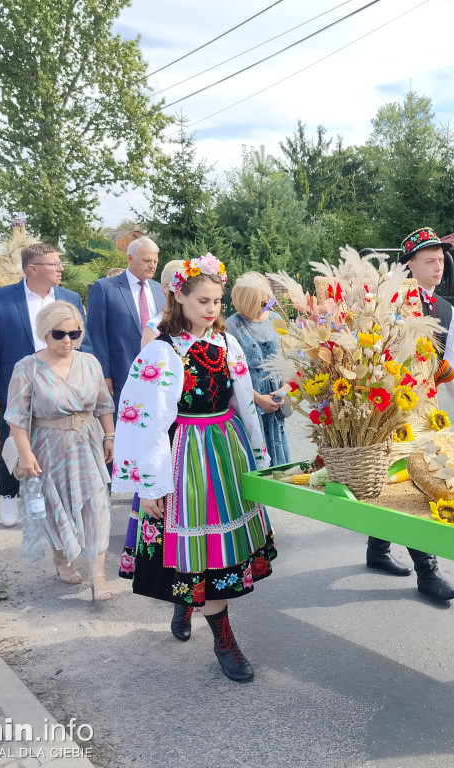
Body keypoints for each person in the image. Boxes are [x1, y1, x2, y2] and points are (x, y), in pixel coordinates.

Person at [112, 254, 276, 683]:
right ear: (178, 296)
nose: (211, 309)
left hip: (224, 449)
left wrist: (258, 459)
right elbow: (142, 419)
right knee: (192, 543)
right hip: (183, 454)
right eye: (202, 300)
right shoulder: (163, 351)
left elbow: (244, 402)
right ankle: (224, 639)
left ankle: (188, 603)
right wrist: (148, 485)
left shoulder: (226, 343)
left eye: (217, 301)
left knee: (215, 549)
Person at [363, 227, 454, 602]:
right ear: (410, 264)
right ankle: (427, 572)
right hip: (390, 408)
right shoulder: (388, 301)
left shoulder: (446, 310)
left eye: (441, 259)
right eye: (429, 260)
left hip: (426, 412)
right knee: (406, 485)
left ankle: (377, 550)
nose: (438, 265)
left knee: (405, 480)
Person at [4, 302, 116, 601]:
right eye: (59, 333)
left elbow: (104, 404)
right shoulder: (27, 367)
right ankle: (63, 560)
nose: (68, 340)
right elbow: (16, 416)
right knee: (56, 508)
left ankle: (98, 575)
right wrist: (25, 454)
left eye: (74, 333)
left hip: (87, 443)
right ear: (45, 333)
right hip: (47, 445)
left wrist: (110, 435)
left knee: (96, 507)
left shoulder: (90, 362)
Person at [0, 243, 91, 527]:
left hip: (61, 385)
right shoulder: (1, 298)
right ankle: (7, 495)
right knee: (13, 439)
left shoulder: (70, 298)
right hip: (18, 383)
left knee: (58, 441)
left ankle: (57, 498)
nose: (61, 268)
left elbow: (82, 342)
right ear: (33, 268)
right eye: (55, 264)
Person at [118, 259, 185, 578]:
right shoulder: (157, 327)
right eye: (173, 283)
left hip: (195, 431)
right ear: (166, 288)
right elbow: (150, 389)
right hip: (166, 431)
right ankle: (166, 576)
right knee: (161, 502)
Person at [86, 236, 165, 414]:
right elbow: (96, 335)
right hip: (120, 376)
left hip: (157, 377)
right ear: (130, 258)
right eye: (146, 260)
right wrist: (103, 374)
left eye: (155, 261)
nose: (152, 265)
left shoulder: (159, 290)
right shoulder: (105, 288)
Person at [225, 272, 290, 466]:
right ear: (246, 301)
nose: (267, 306)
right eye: (262, 303)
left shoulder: (276, 319)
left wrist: (284, 389)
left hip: (275, 408)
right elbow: (228, 374)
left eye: (268, 301)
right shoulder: (231, 327)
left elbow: (285, 360)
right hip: (249, 407)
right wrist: (259, 399)